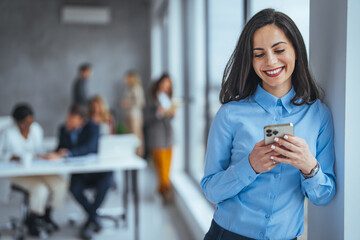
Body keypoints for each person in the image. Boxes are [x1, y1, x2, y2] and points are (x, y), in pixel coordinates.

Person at [200, 8, 336, 240]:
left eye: (279, 49)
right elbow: (211, 189)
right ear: (250, 60)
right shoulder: (230, 114)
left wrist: (309, 166)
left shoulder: (318, 115)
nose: (270, 61)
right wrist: (250, 166)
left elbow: (323, 196)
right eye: (259, 53)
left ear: (296, 50)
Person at [44, 105, 113, 240]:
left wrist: (69, 153)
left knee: (106, 182)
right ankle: (93, 218)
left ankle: (90, 220)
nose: (68, 121)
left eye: (72, 119)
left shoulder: (93, 127)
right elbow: (60, 149)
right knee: (74, 188)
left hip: (98, 172)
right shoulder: (64, 129)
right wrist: (59, 151)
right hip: (80, 173)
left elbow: (90, 147)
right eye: (68, 117)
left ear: (82, 120)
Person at [0, 103, 67, 236]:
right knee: (40, 189)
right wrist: (15, 157)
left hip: (37, 168)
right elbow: (2, 155)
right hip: (17, 172)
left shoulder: (36, 129)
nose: (28, 125)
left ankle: (46, 216)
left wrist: (46, 155)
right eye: (25, 122)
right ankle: (33, 220)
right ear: (17, 122)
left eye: (31, 121)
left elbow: (40, 149)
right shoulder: (7, 133)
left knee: (60, 184)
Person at [147, 73, 176, 204]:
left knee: (167, 168)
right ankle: (166, 193)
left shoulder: (168, 98)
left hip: (168, 136)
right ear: (159, 83)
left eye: (168, 85)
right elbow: (146, 117)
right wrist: (158, 113)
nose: (166, 87)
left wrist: (171, 113)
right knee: (162, 169)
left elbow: (168, 118)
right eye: (164, 84)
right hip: (156, 137)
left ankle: (161, 191)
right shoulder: (152, 98)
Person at [120, 71, 145, 156]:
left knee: (136, 136)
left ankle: (138, 154)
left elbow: (141, 102)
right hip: (128, 114)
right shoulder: (128, 88)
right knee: (129, 135)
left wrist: (128, 103)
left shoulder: (137, 88)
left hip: (134, 115)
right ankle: (132, 154)